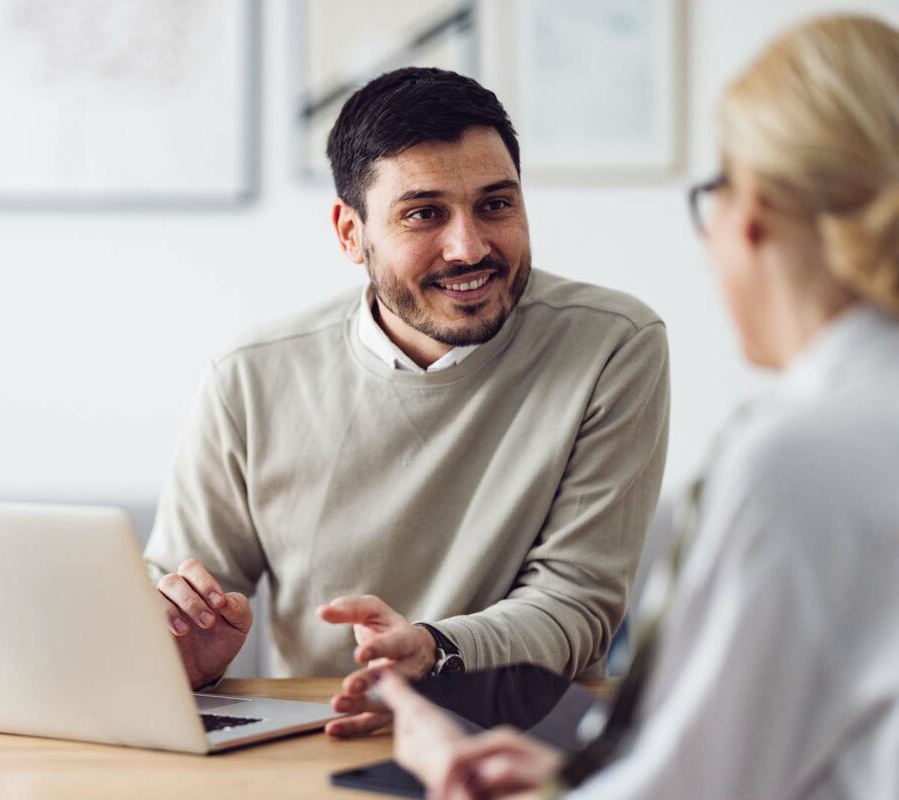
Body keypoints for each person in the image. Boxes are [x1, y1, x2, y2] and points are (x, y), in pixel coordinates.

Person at [375, 13, 899, 799]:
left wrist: (468, 772)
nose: (468, 249)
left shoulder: (795, 458)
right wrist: (575, 772)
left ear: (749, 212)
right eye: (424, 213)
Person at [143, 67, 670, 737]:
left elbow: (576, 601)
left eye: (495, 204)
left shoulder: (613, 345)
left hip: (525, 740)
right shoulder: (252, 373)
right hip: (318, 736)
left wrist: (434, 650)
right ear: (348, 232)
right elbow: (181, 593)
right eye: (424, 213)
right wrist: (185, 650)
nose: (469, 247)